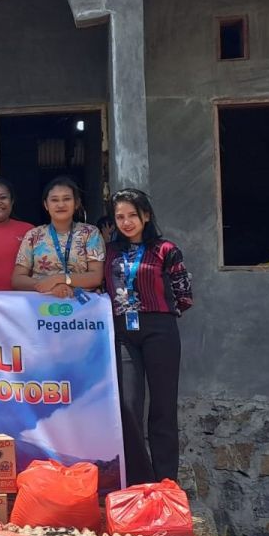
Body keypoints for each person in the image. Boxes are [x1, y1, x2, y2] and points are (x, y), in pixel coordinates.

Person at [104, 188, 193, 485]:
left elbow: (184, 295)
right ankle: (141, 483)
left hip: (159, 330)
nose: (126, 222)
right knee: (128, 407)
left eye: (132, 215)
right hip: (123, 334)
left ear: (146, 216)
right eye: (120, 217)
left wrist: (156, 312)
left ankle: (166, 482)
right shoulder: (110, 251)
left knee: (163, 407)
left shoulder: (166, 249)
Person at [12, 176, 105, 299]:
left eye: (67, 199)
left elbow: (96, 277)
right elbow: (17, 279)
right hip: (41, 307)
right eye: (54, 200)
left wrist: (60, 279)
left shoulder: (90, 233)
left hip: (83, 307)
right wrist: (51, 286)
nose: (61, 204)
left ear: (76, 203)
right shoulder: (33, 235)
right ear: (46, 204)